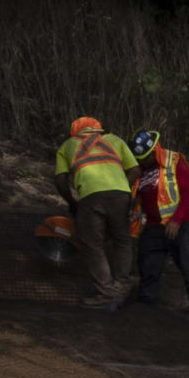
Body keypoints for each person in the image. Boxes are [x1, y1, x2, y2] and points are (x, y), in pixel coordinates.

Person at [52, 114, 137, 309]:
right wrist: (123, 187)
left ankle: (107, 294)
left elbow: (60, 180)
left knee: (93, 245)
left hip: (91, 196)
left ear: (75, 132)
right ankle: (122, 286)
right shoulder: (115, 140)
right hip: (121, 195)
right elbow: (135, 170)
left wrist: (71, 201)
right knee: (122, 240)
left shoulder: (67, 146)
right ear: (98, 129)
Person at [126, 130, 189, 313]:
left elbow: (188, 193)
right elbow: (140, 195)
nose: (142, 161)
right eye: (140, 158)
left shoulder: (175, 160)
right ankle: (145, 303)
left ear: (155, 149)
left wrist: (176, 220)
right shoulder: (141, 171)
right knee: (148, 263)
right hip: (154, 225)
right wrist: (136, 212)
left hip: (182, 224)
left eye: (145, 157)